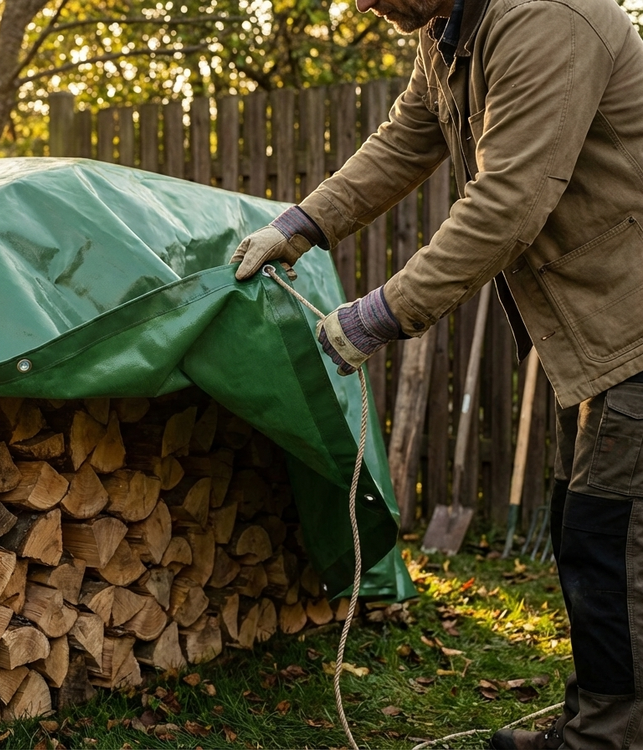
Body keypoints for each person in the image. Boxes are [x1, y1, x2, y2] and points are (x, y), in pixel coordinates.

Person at [230, 0, 643, 746]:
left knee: (611, 538)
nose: (362, 4)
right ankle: (598, 721)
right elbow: (402, 142)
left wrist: (378, 315)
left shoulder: (546, 18)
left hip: (632, 322)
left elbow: (508, 202)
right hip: (589, 330)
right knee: (583, 529)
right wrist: (300, 226)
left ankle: (611, 738)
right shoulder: (445, 33)